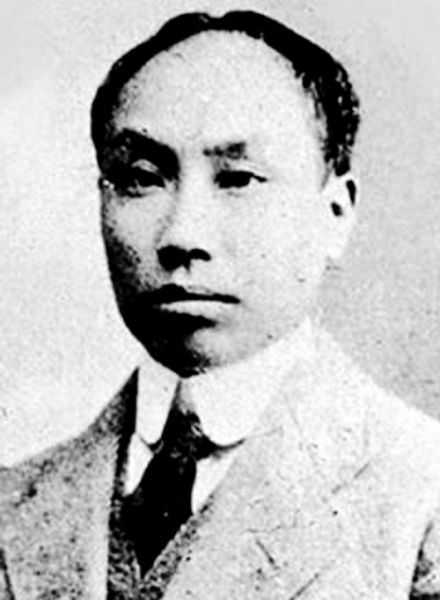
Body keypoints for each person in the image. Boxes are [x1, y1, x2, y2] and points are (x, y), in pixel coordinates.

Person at [1, 10, 440, 600]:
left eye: (238, 179)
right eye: (141, 177)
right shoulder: (13, 504)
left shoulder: (420, 497)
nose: (182, 234)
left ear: (335, 214)